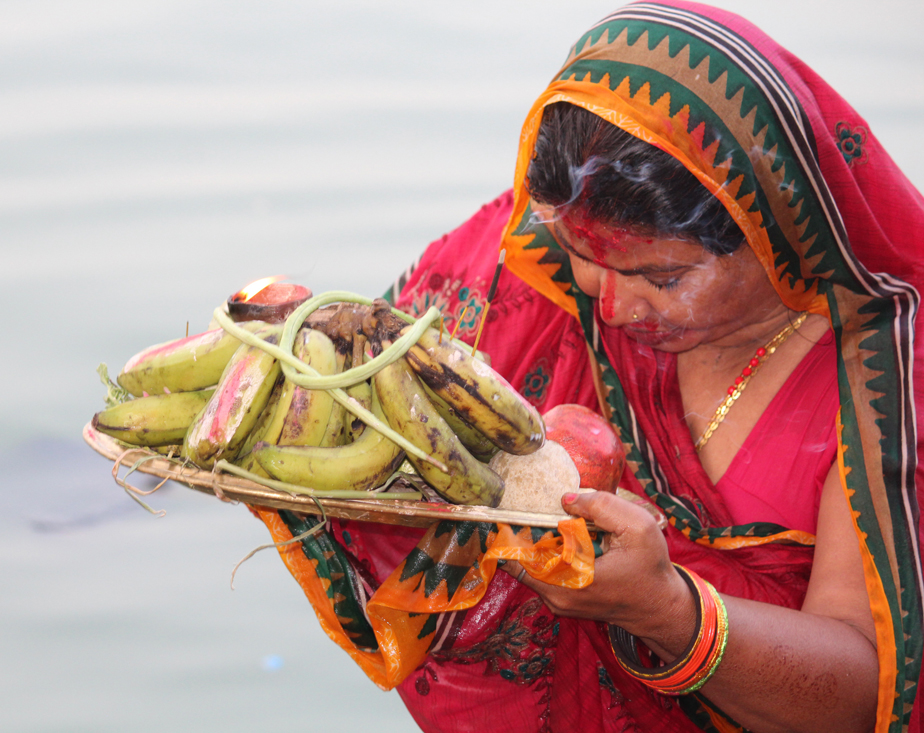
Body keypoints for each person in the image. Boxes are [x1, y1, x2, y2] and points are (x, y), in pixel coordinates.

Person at [252, 2, 924, 731]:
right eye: (587, 261)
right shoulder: (525, 265)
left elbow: (870, 695)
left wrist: (670, 611)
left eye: (663, 278)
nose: (613, 311)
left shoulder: (885, 374)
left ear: (775, 229)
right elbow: (383, 409)